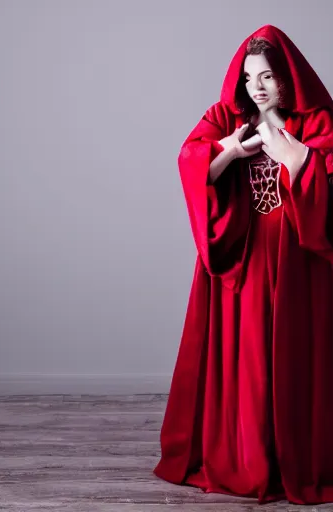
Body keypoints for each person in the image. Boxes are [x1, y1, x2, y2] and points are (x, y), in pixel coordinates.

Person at [153, 24, 333, 505]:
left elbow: (328, 178)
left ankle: (297, 456)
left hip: (298, 260)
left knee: (295, 354)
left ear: (286, 80)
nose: (258, 86)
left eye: (268, 76)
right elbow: (192, 162)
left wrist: (295, 155)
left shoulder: (315, 122)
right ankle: (247, 454)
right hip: (247, 257)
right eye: (251, 77)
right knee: (248, 357)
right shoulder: (226, 117)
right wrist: (231, 149)